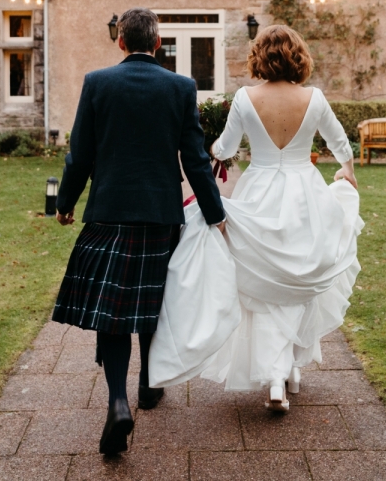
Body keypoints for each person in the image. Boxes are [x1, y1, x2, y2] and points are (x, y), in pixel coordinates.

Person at [150, 24, 362, 412]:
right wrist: (348, 172)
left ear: (260, 56)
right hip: (305, 197)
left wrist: (210, 137)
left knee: (265, 285)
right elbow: (339, 142)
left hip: (261, 191)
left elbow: (225, 148)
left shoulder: (246, 99)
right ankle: (286, 371)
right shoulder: (314, 99)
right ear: (298, 56)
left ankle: (278, 375)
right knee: (296, 280)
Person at [51, 8, 225, 456]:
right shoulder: (181, 87)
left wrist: (65, 202)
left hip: (108, 212)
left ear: (121, 42)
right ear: (159, 43)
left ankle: (117, 401)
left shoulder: (97, 82)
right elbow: (196, 159)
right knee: (151, 300)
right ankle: (148, 385)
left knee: (112, 311)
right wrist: (215, 212)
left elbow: (79, 155)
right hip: (159, 214)